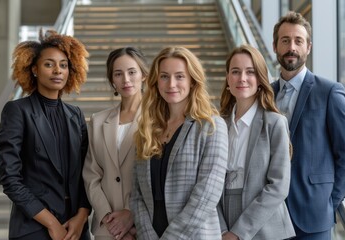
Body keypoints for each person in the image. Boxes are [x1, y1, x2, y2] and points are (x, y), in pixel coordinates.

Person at [0, 30, 91, 240]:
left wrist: (82, 217)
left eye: (63, 65)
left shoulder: (75, 115)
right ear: (35, 69)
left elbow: (88, 173)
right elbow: (10, 178)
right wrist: (51, 224)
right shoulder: (17, 111)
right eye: (49, 64)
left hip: (75, 227)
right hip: (34, 226)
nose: (57, 70)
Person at [131, 46, 228, 239]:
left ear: (192, 81)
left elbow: (207, 194)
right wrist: (147, 235)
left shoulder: (211, 126)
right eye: (164, 76)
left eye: (180, 76)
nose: (171, 84)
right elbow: (136, 194)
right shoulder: (147, 129)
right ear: (156, 82)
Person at [272, 11, 345, 239]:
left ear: (309, 47)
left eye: (299, 41)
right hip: (267, 217)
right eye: (285, 40)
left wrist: (329, 203)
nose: (292, 47)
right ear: (275, 46)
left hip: (313, 217)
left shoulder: (329, 92)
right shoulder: (265, 94)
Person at [218, 44, 295, 240]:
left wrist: (238, 233)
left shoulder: (275, 123)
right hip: (222, 224)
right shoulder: (217, 125)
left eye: (250, 72)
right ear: (228, 79)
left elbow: (278, 186)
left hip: (265, 227)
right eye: (235, 72)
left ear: (260, 79)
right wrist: (220, 229)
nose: (242, 78)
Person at [82, 47, 148, 240]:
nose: (126, 79)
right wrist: (107, 217)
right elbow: (91, 174)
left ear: (143, 75)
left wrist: (130, 214)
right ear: (112, 80)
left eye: (132, 72)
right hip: (107, 228)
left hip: (143, 226)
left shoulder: (158, 119)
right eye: (118, 74)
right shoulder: (98, 120)